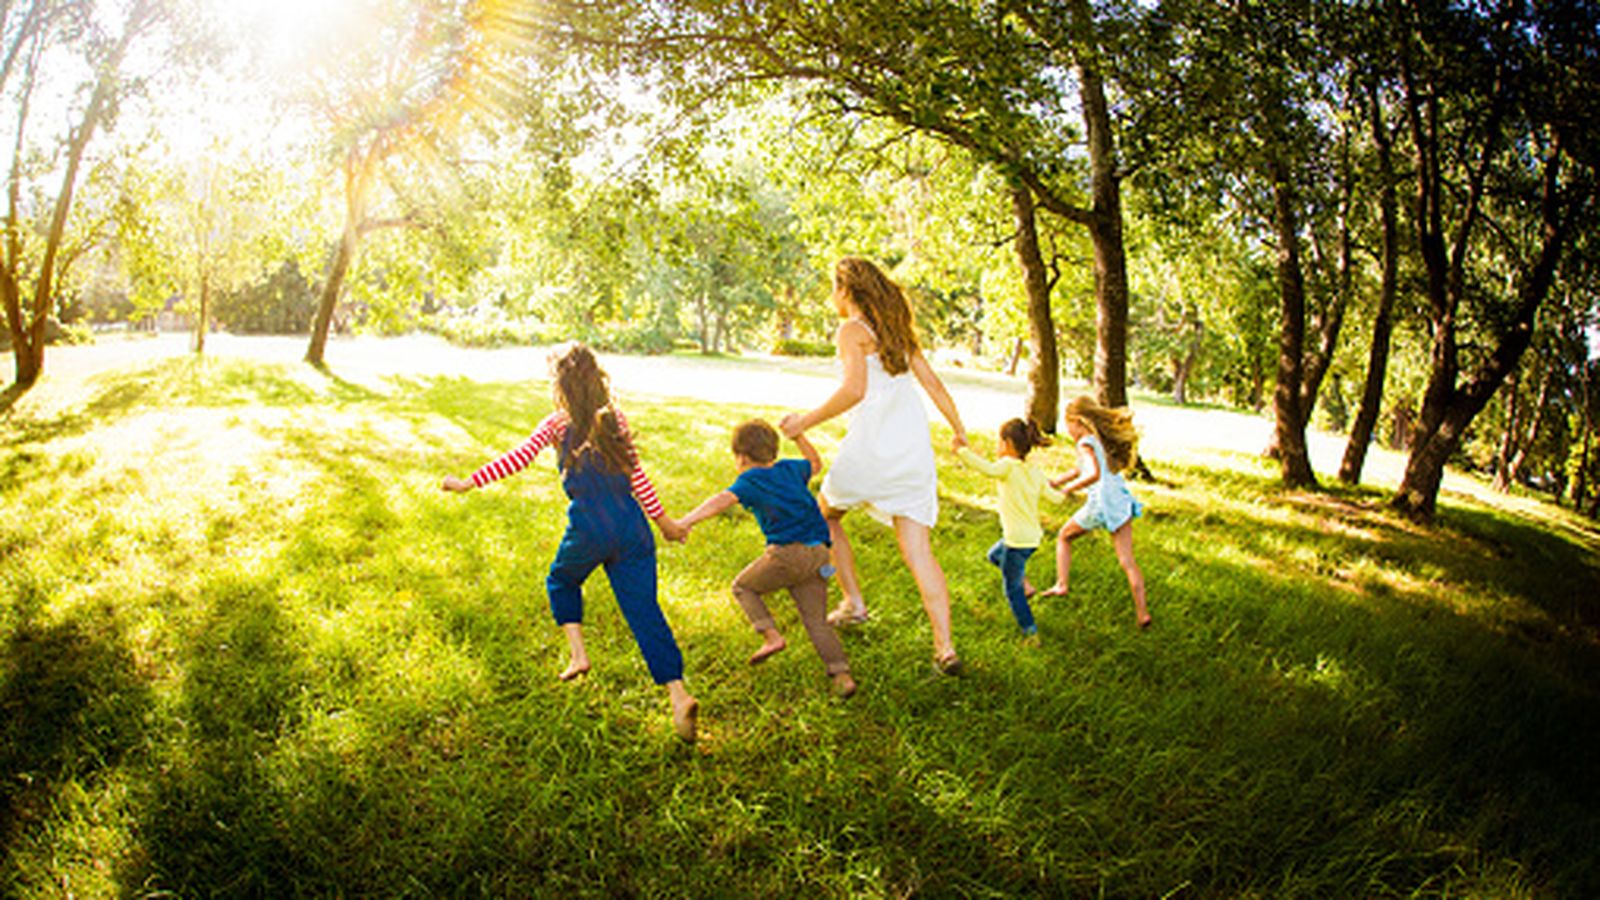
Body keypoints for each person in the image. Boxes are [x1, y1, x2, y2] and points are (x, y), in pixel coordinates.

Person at [441, 343, 699, 742]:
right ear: (598, 381)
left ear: (561, 386)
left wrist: (468, 482)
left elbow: (517, 458)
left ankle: (579, 655)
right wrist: (664, 522)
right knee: (644, 610)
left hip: (589, 526)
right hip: (632, 526)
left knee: (561, 581)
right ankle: (678, 694)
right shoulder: (615, 420)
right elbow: (637, 478)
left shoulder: (556, 425)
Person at [779, 257, 969, 675]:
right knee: (918, 551)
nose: (832, 295)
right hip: (912, 450)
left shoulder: (852, 330)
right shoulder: (895, 333)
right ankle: (946, 648)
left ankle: (853, 602)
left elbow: (853, 390)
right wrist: (959, 430)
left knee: (824, 514)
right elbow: (933, 384)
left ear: (846, 290)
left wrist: (803, 422)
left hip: (872, 446)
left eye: (834, 287)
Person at [676, 419, 858, 698]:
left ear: (741, 457)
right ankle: (842, 675)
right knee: (816, 621)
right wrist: (799, 437)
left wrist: (686, 521)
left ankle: (771, 636)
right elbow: (815, 462)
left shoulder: (750, 479)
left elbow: (721, 501)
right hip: (821, 554)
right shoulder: (790, 468)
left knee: (743, 586)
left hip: (788, 554)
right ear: (773, 451)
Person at [1040, 395, 1151, 630]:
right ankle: (1143, 613)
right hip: (1120, 501)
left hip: (1101, 504)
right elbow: (1078, 468)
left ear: (1077, 422)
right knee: (1127, 561)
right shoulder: (1098, 441)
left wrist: (1069, 489)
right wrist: (1056, 482)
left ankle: (1061, 584)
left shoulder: (1085, 443)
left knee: (1064, 536)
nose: (1068, 430)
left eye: (1068, 424)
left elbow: (1092, 474)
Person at [954, 418, 1065, 638]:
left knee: (1012, 590)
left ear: (1007, 444)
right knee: (995, 555)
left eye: (998, 442)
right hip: (1032, 538)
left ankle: (1030, 631)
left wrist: (962, 451)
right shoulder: (1034, 471)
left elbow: (986, 469)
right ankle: (1026, 585)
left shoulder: (1007, 466)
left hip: (1016, 541)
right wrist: (1068, 489)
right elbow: (1056, 499)